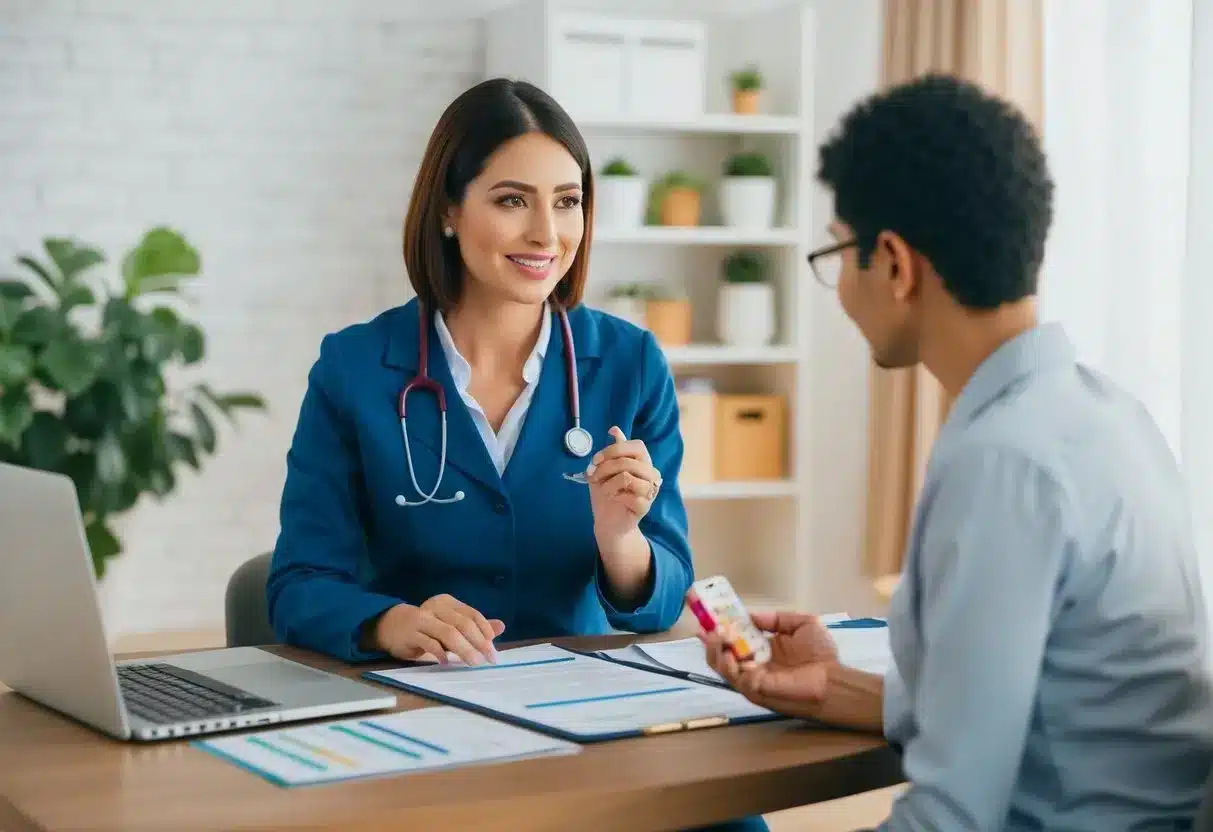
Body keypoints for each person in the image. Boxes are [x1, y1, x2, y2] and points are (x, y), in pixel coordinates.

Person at [701, 73, 1213, 830]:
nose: (839, 287)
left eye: (840, 253)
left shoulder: (1001, 462)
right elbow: (1060, 708)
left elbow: (952, 816)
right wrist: (840, 689)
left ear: (896, 265)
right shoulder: (1105, 415)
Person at [266, 78, 766, 832]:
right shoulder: (354, 369)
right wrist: (388, 622)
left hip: (592, 725)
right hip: (424, 725)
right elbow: (299, 582)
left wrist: (619, 537)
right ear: (446, 209)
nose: (546, 233)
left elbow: (662, 600)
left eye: (567, 201)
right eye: (511, 200)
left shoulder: (628, 362)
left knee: (730, 820)